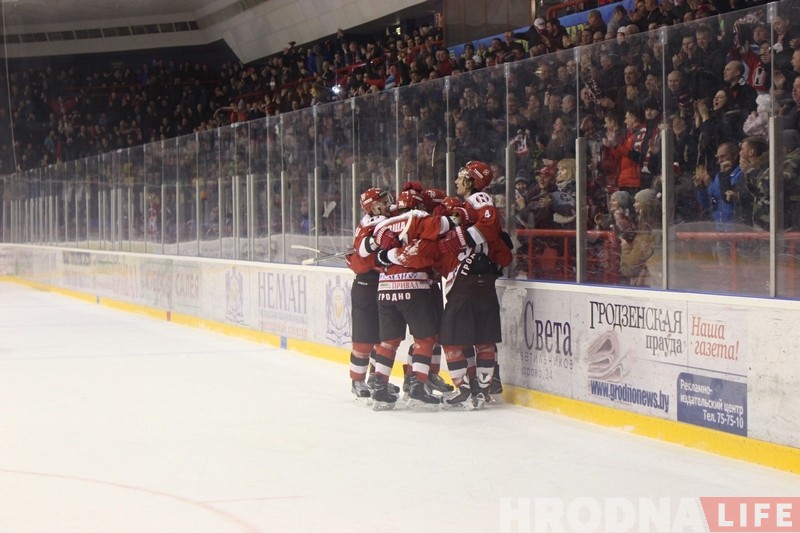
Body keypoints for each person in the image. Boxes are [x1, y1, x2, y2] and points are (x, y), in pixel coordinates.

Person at [437, 161, 513, 409]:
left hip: (467, 281)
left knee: (450, 338)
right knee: (483, 338)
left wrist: (460, 239)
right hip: (482, 280)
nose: (456, 181)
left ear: (471, 180)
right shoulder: (470, 204)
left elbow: (488, 227)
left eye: (461, 177)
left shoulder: (479, 199)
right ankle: (482, 390)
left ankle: (464, 389)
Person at [369, 193, 449, 409]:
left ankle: (379, 390)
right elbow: (439, 233)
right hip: (413, 287)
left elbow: (373, 258)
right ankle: (417, 388)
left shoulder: (382, 225)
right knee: (425, 339)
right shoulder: (420, 218)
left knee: (388, 342)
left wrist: (388, 256)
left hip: (385, 289)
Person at [346, 187, 400, 400]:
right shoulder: (372, 224)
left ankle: (376, 379)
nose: (388, 204)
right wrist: (378, 241)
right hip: (366, 286)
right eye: (383, 202)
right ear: (373, 207)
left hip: (382, 284)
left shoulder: (378, 219)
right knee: (364, 338)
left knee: (382, 337)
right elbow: (362, 251)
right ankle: (357, 380)